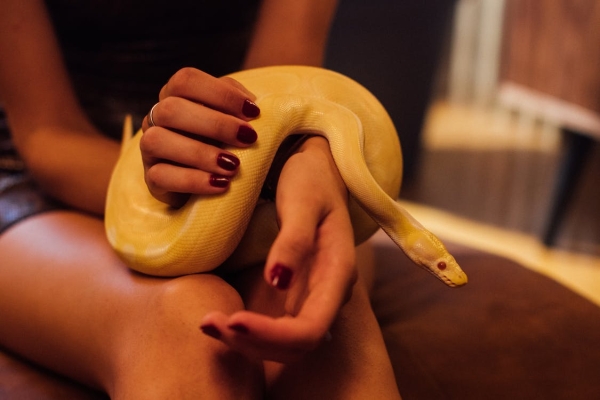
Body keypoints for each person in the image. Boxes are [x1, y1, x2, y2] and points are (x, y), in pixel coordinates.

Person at [0, 0, 401, 398]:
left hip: (243, 174)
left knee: (324, 311)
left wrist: (307, 157)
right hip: (46, 180)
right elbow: (47, 136)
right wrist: (152, 182)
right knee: (184, 322)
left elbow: (285, 89)